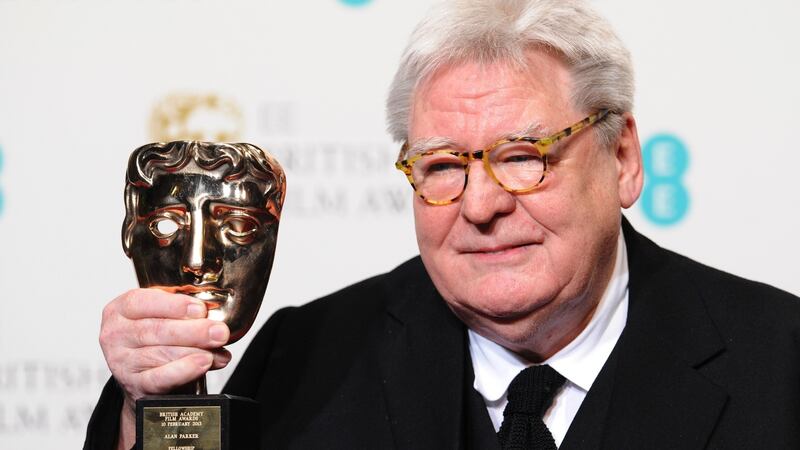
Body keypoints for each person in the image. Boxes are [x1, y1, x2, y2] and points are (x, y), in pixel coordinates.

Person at [85, 0, 800, 449]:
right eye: (443, 167)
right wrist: (150, 407)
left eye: (524, 157)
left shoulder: (782, 364)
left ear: (623, 158)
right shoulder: (301, 361)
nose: (481, 205)